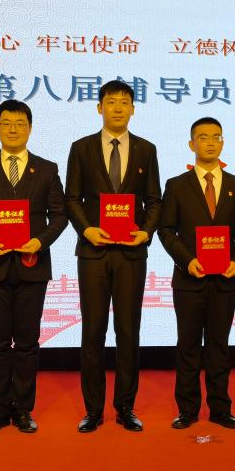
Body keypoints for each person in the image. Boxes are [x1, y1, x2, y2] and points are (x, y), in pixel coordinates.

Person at [65, 80, 162, 433]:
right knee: (92, 331)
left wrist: (145, 232)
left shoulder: (146, 150)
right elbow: (71, 198)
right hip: (93, 252)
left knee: (128, 331)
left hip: (131, 254)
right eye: (111, 101)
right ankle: (93, 410)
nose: (118, 107)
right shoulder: (81, 148)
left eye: (124, 102)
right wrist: (86, 230)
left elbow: (154, 200)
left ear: (133, 109)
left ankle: (125, 407)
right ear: (99, 107)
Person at [0, 100, 68, 434]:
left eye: (20, 123)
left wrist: (40, 241)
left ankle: (23, 409)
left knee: (27, 341)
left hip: (32, 267)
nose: (13, 129)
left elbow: (60, 215)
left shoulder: (47, 169)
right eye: (7, 123)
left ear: (30, 128)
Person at [158, 117, 235, 430]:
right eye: (203, 137)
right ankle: (187, 409)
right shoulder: (176, 185)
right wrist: (187, 261)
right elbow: (166, 230)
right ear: (191, 144)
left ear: (222, 142)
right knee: (187, 345)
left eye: (216, 137)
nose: (210, 142)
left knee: (219, 346)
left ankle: (220, 409)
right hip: (189, 279)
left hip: (224, 279)